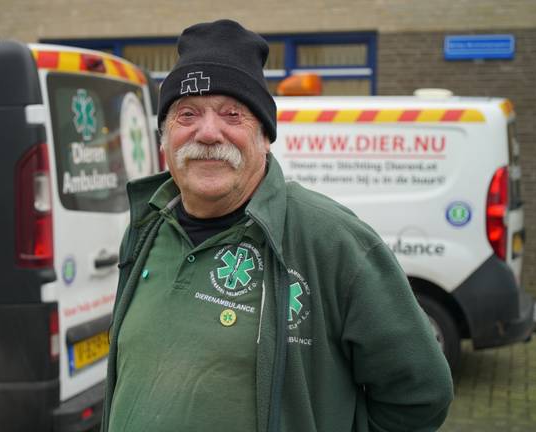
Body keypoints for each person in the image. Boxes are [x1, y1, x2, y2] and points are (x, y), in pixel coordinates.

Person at [101, 19, 453, 432]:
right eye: (187, 114)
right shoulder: (146, 227)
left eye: (232, 113)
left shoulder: (333, 241)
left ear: (264, 135)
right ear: (165, 137)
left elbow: (421, 394)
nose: (208, 132)